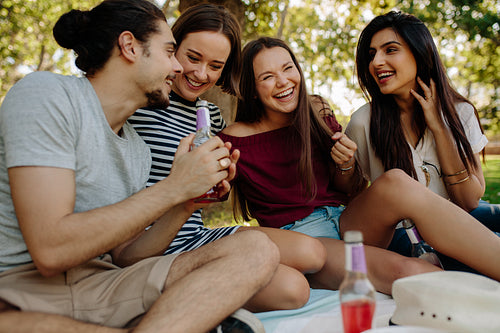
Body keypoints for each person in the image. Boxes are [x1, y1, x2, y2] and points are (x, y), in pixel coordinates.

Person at [0, 1, 281, 332]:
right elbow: (50, 250)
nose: (177, 68)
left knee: (256, 248)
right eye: (169, 52)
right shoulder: (48, 95)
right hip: (22, 286)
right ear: (130, 46)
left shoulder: (136, 150)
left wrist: (186, 200)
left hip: (102, 284)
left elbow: (126, 257)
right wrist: (173, 187)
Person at [218, 36, 500, 295]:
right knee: (417, 272)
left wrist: (345, 164)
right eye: (267, 77)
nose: (283, 81)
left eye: (288, 68)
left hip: (346, 220)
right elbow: (211, 193)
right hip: (305, 241)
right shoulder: (233, 140)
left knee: (396, 181)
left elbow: (350, 189)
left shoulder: (316, 111)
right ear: (252, 90)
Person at [125, 3, 327, 312]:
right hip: (150, 244)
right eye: (192, 57)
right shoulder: (139, 101)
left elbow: (208, 191)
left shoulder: (211, 116)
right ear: (171, 47)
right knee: (293, 290)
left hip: (196, 235)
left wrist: (223, 184)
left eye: (216, 65)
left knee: (312, 253)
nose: (201, 73)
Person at [345, 11, 499, 265]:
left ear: (420, 52)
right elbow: (356, 205)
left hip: (457, 218)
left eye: (390, 50)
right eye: (372, 54)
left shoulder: (460, 113)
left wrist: (439, 128)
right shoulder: (363, 122)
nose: (376, 62)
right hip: (402, 234)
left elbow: (469, 200)